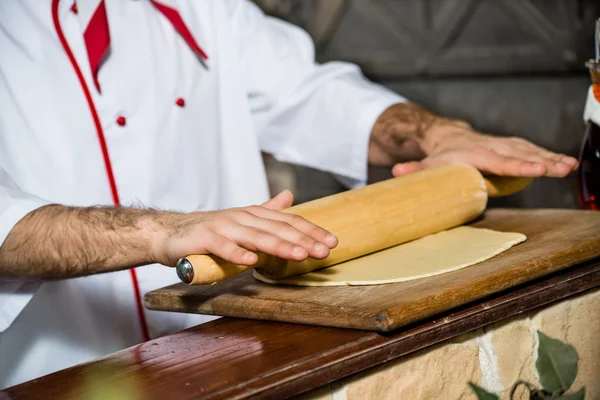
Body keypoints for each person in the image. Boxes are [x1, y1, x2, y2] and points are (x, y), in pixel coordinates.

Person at [0, 0, 577, 388]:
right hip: (64, 372)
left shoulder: (207, 8)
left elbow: (313, 95)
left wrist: (438, 133)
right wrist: (161, 231)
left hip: (240, 354)